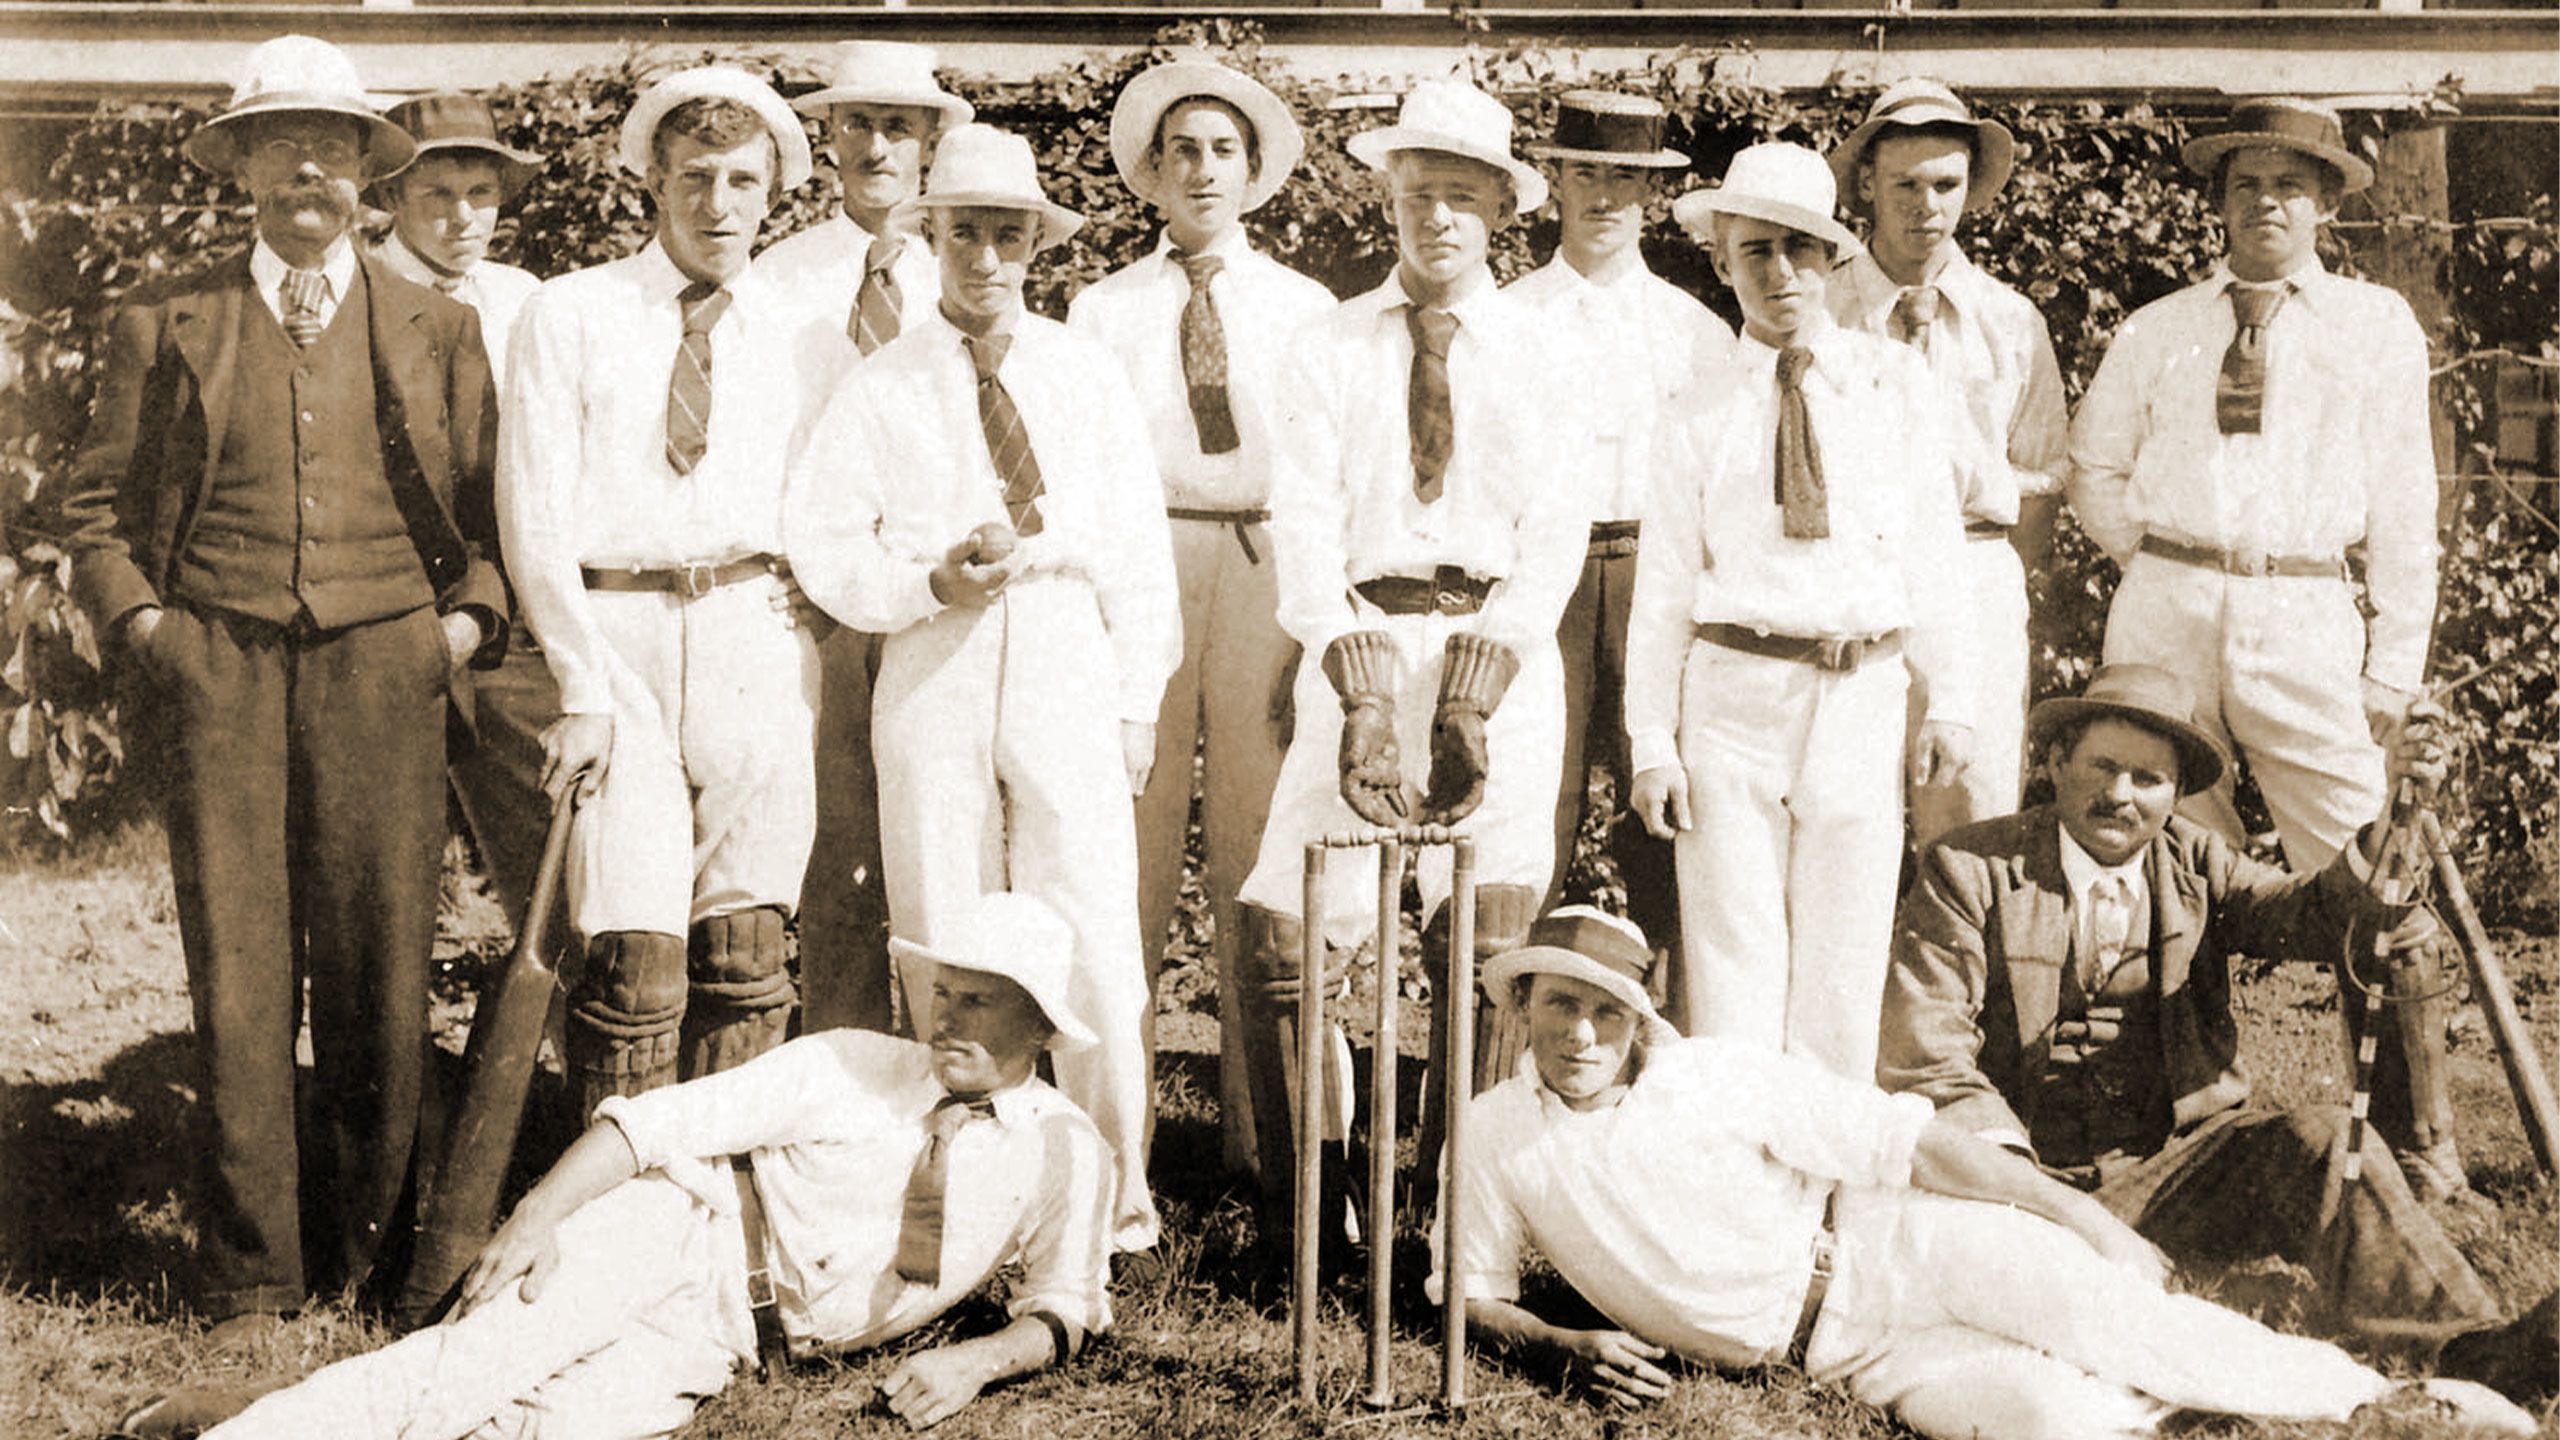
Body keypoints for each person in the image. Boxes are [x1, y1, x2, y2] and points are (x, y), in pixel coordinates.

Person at [42, 34, 505, 1335]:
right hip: (221, 665)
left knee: (380, 962)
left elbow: (486, 523)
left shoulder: (440, 326)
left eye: (336, 141)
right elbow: (93, 513)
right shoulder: (162, 318)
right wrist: (149, 631)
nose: (309, 163)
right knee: (239, 969)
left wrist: (459, 629)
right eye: (279, 139)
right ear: (239, 163)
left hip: (384, 660)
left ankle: (374, 1266)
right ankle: (251, 1278)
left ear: (367, 167)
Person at [1428, 911, 2536, 1440]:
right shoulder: (1491, 1136)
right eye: (1557, 1002)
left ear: (1637, 1019)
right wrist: (1565, 1345)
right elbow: (1467, 1293)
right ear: (1518, 1006)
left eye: (1604, 1009)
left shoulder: (1709, 1074)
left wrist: (2072, 1216)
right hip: (1846, 1352)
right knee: (2053, 1424)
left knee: (2126, 1326)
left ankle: (2405, 1408)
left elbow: (1906, 1141)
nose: (1580, 1031)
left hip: (1890, 1243)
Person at [132, 893, 1116, 1440]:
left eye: (977, 1004)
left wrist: (974, 1364)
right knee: (467, 1370)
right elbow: (649, 1125)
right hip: (675, 1233)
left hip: (734, 1341)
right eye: (944, 995)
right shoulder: (853, 1059)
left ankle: (267, 1420)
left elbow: (1066, 1306)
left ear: (1038, 1021)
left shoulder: (1067, 1151)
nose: (945, 1019)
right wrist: (534, 1224)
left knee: (547, 1434)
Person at [1878, 663, 2533, 1347]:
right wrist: (2043, 1204)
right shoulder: (1969, 870)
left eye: (2148, 780)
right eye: (2102, 767)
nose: (2120, 796)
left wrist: (2394, 809)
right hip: (2018, 1193)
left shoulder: (2195, 861)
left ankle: (2468, 1344)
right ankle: (2157, 1298)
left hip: (2166, 1180)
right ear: (2055, 761)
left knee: (2328, 1138)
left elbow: (2312, 914)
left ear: (2176, 794)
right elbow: (1929, 1062)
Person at [786, 123, 1179, 1255]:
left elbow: (1140, 556)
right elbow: (823, 542)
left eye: (1008, 234)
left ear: (1035, 246)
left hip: (1061, 638)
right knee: (942, 918)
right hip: (935, 654)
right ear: (933, 237)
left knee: (1092, 926)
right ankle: (955, 1189)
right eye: (964, 233)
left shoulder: (1084, 372)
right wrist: (922, 583)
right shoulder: (884, 382)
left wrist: (1135, 701)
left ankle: (1112, 1191)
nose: (986, 257)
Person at [2067, 97, 2459, 1195]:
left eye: (2291, 185)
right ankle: (2195, 1112)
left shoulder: (2373, 326)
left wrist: (2391, 664)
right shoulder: (2159, 328)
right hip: (2170, 605)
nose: (2266, 203)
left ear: (2326, 203)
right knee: (2156, 857)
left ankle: (2421, 1144)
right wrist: (2161, 561)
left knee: (2372, 866)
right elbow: (2094, 471)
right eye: (2245, 183)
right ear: (2218, 201)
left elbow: (2404, 501)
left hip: (2302, 611)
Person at [1235, 77, 1582, 1218]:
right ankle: (1316, 1210)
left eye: (1461, 198)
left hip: (1500, 653)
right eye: (1417, 193)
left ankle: (1449, 1208)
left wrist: (1478, 687)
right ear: (1389, 199)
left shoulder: (1543, 346)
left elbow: (1553, 536)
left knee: (1481, 928)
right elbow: (1304, 523)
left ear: (1499, 210)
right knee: (1291, 923)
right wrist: (1359, 677)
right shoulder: (1326, 344)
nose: (1436, 218)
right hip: (1361, 643)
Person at [500, 67, 826, 1116]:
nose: (717, 204)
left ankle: (724, 1218)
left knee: (744, 945)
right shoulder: (573, 312)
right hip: (617, 633)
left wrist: (819, 597)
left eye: (742, 181)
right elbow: (532, 511)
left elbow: (835, 487)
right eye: (694, 177)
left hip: (755, 630)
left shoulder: (803, 328)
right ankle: (621, 1214)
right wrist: (580, 682)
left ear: (773, 193)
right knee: (633, 947)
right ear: (652, 183)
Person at [1627, 143, 1970, 1072]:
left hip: (1859, 691)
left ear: (1833, 257)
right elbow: (1661, 593)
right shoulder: (1694, 408)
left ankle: (1827, 1203)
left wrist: (1951, 700)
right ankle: (1744, 1198)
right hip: (1734, 700)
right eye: (1755, 253)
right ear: (1722, 260)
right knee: (1734, 965)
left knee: (1844, 963)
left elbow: (1936, 553)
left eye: (1800, 250)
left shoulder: (1891, 385)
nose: (1780, 274)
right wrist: (1653, 744)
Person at [1066, 55, 1336, 1177]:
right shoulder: (1102, 308)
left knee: (1262, 850)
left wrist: (1313, 627)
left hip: (1264, 562)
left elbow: (1326, 471)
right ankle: (1101, 1148)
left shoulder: (1305, 308)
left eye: (1224, 150)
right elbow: (1085, 472)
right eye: (1182, 150)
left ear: (1254, 169)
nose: (1203, 169)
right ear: (1149, 174)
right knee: (1116, 853)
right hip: (1141, 566)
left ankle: (1277, 1155)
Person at [756, 42, 973, 1035]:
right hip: (823, 603)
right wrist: (787, 563)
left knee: (947, 844)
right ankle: (840, 1067)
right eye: (857, 125)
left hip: (941, 600)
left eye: (899, 125)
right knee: (836, 846)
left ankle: (959, 1065)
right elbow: (750, 445)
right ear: (828, 138)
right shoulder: (777, 278)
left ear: (931, 140)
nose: (878, 145)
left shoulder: (969, 267)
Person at [1502, 89, 1732, 1011]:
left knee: (1662, 813)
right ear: (1554, 179)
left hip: (1654, 575)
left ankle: (1662, 1051)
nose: (1604, 194)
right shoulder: (1506, 319)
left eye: (1626, 176)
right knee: (1532, 810)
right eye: (1586, 172)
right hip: (1539, 582)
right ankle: (1508, 1057)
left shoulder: (1695, 329)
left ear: (1650, 189)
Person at [1826, 79, 2067, 848]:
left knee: (1971, 802)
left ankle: (1968, 968)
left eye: (1944, 185)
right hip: (1851, 575)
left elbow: (2042, 475)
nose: (1925, 205)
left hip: (1973, 571)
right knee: (1844, 805)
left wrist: (1977, 578)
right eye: (1903, 184)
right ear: (1866, 184)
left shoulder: (2009, 320)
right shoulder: (1818, 311)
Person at [365, 90, 561, 929]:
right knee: (384, 860)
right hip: (394, 606)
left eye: (479, 194)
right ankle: (385, 1057)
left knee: (543, 842)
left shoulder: (530, 301)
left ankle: (557, 1045)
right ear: (392, 200)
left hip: (513, 614)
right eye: (436, 196)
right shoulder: (360, 299)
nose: (461, 217)